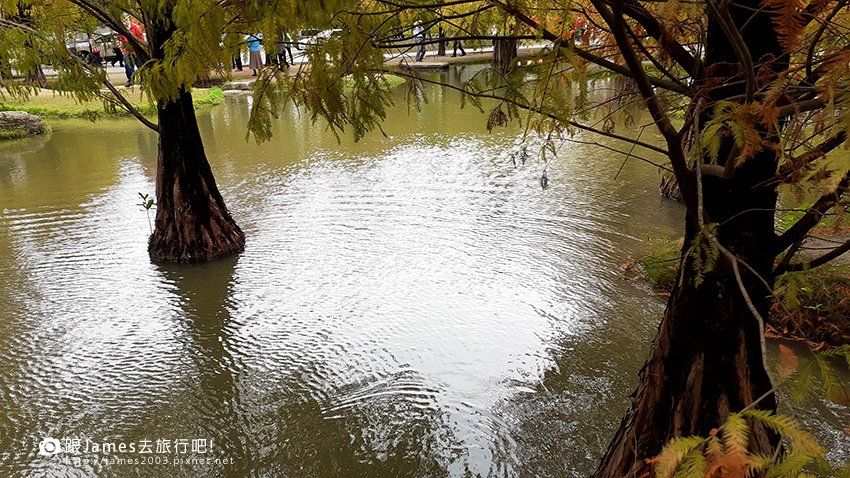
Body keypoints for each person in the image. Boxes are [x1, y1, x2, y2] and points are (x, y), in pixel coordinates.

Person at [120, 17, 144, 87]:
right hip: (127, 52)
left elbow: (141, 39)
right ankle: (130, 80)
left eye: (124, 21)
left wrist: (139, 49)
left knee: (140, 66)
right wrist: (123, 49)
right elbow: (122, 40)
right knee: (128, 66)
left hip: (136, 51)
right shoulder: (122, 29)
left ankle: (143, 80)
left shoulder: (136, 27)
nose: (124, 23)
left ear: (127, 20)